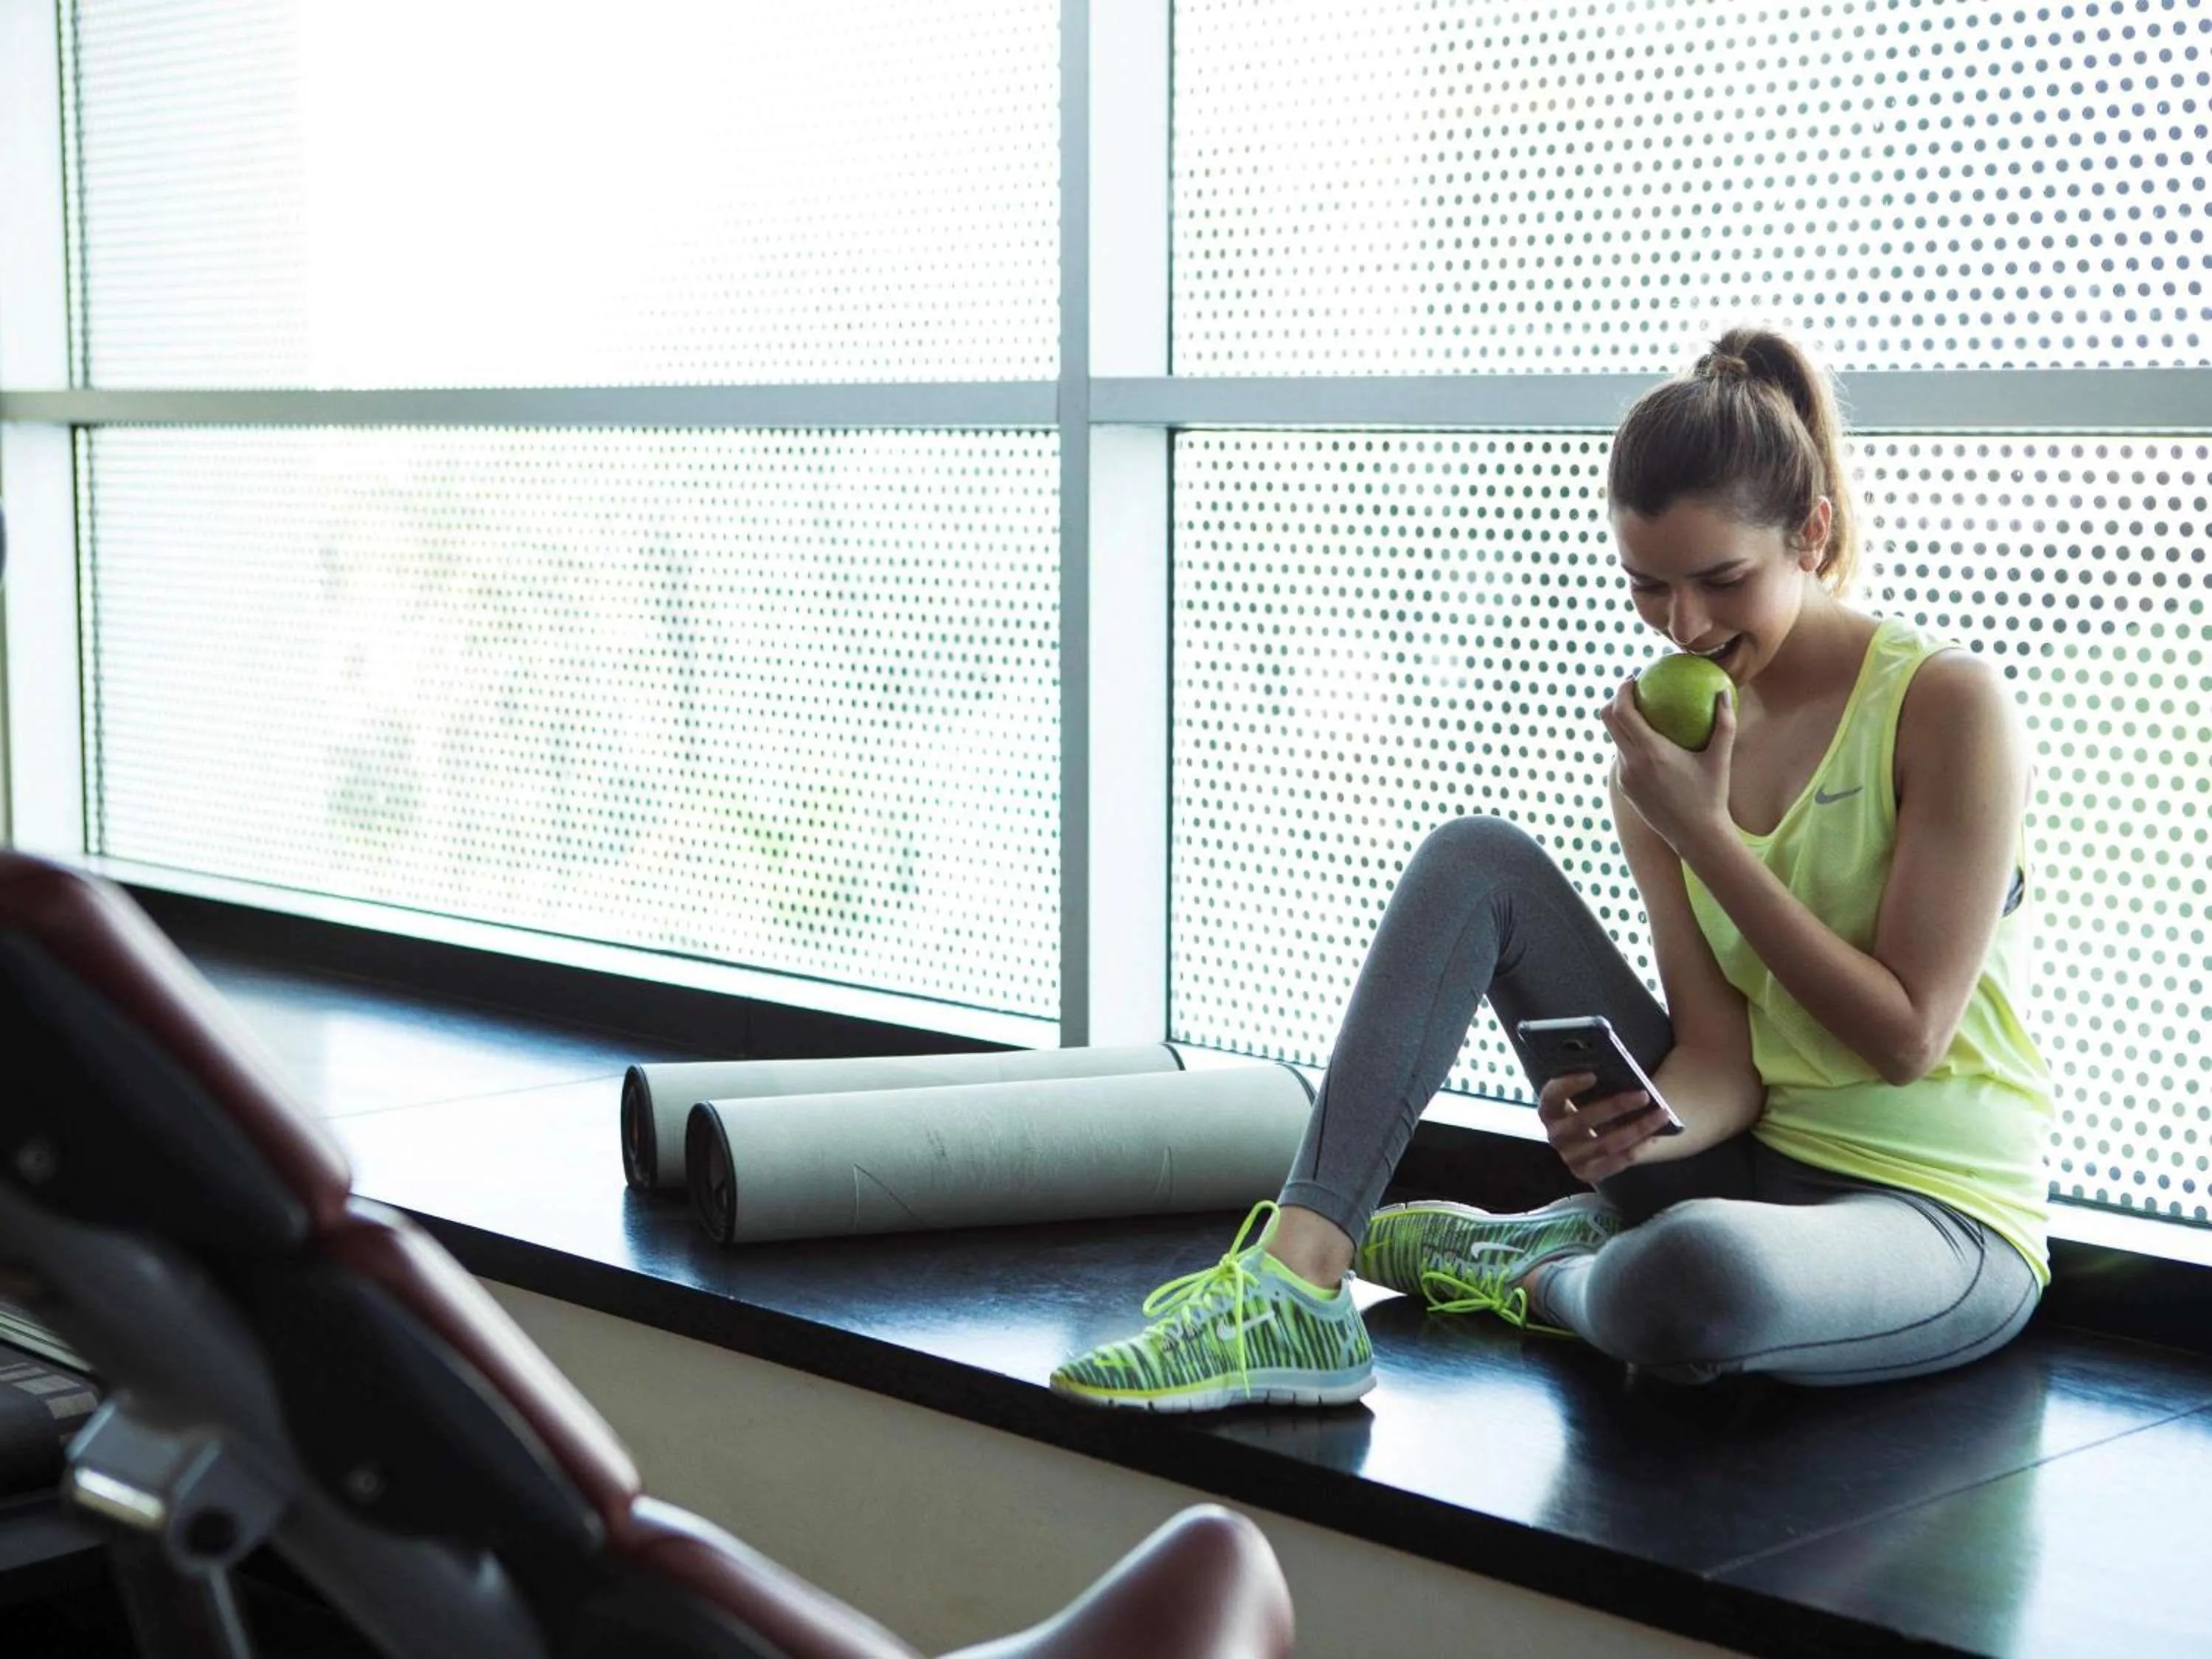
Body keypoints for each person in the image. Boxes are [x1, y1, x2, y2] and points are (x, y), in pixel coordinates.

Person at [1051, 326, 2053, 1411]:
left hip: (1937, 1219)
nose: (1686, 627)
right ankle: (1301, 1283)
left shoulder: (1946, 705)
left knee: (1688, 1276)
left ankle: (1530, 1267)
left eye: (1722, 581)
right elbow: (1728, 1056)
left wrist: (1706, 833)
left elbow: (1907, 1036)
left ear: (1809, 534)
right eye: (1649, 588)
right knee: (1475, 859)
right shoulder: (1661, 762)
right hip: (1741, 1166)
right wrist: (1652, 1116)